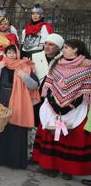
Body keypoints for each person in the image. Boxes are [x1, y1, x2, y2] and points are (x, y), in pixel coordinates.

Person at [32, 39, 91, 181]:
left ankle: (67, 169)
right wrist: (54, 104)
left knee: (70, 137)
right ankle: (49, 166)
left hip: (76, 107)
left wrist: (69, 106)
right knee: (50, 133)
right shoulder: (57, 63)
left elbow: (86, 90)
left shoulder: (86, 67)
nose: (63, 50)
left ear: (75, 50)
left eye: (66, 47)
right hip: (53, 105)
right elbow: (50, 82)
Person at [0, 44, 39, 169]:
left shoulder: (25, 67)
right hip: (2, 100)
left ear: (17, 53)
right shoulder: (0, 65)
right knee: (2, 130)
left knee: (16, 130)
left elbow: (35, 86)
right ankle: (0, 158)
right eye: (8, 52)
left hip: (19, 102)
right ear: (5, 53)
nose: (11, 55)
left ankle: (15, 160)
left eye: (13, 52)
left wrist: (24, 77)